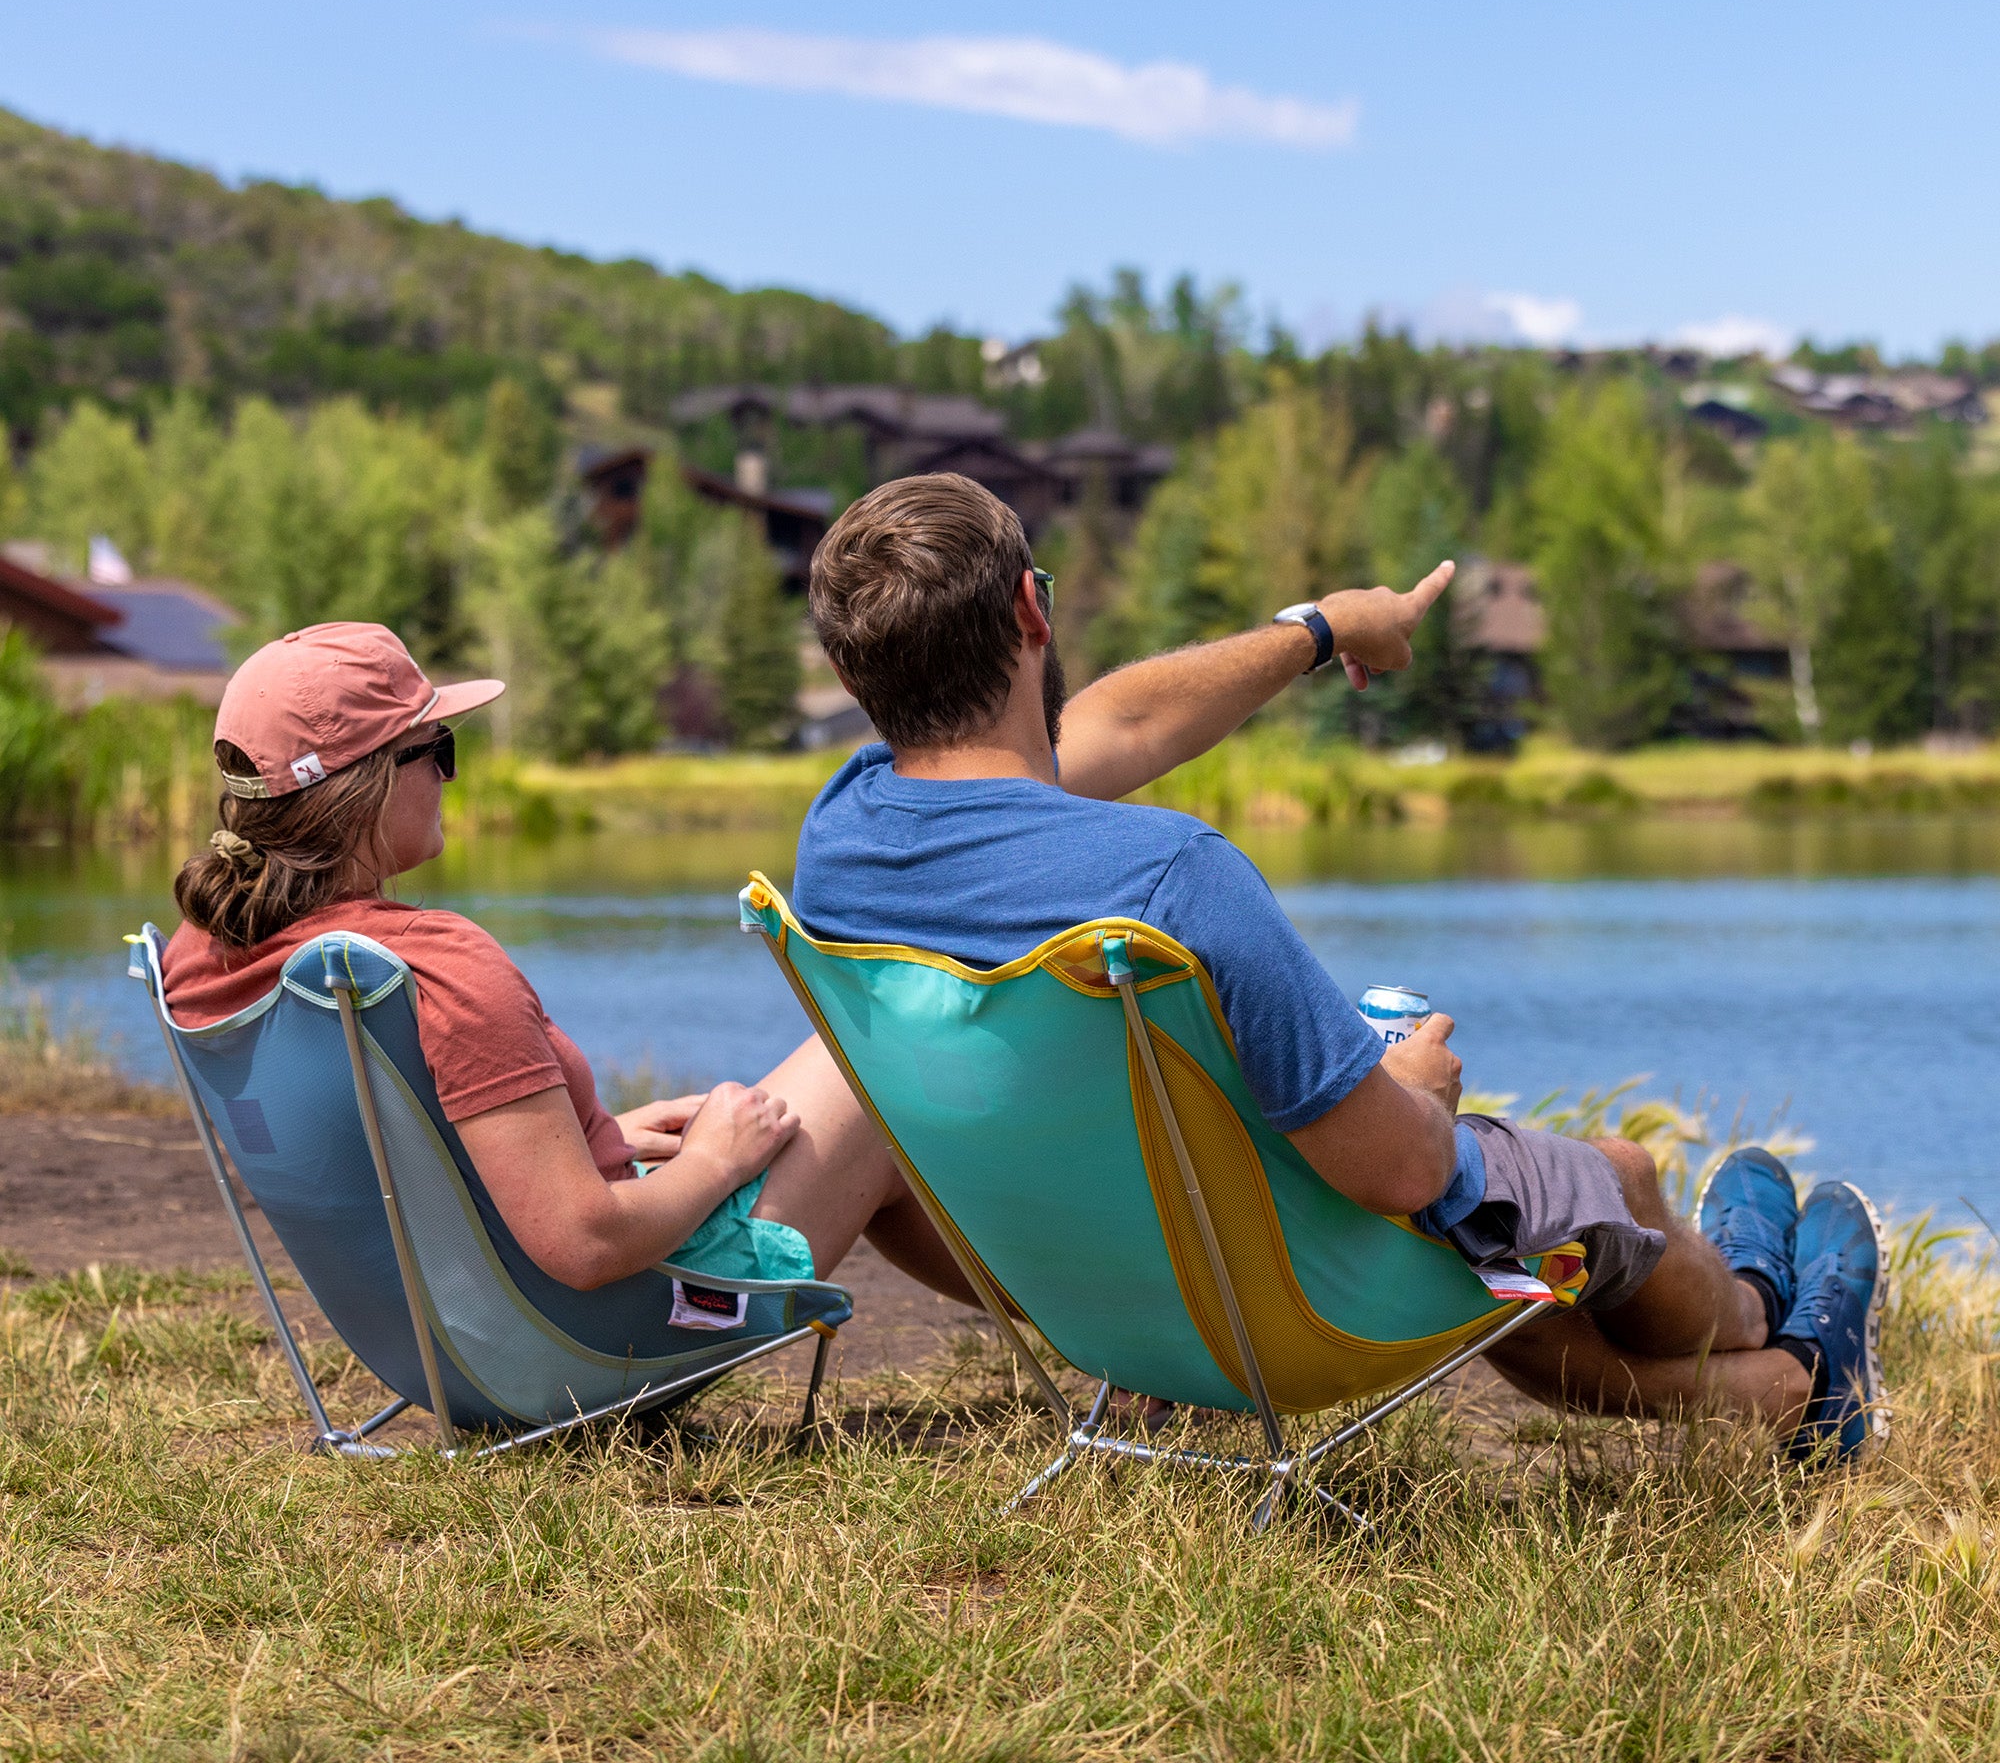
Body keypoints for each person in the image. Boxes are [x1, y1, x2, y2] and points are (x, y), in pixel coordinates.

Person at [791, 474, 1888, 1462]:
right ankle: (1769, 1309)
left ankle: (1784, 1393)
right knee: (1610, 1180)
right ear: (1031, 611)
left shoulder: (841, 838)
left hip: (1120, 1297)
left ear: (850, 668)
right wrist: (1414, 1089)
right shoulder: (1172, 875)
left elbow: (1106, 727)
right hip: (1290, 1298)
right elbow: (1398, 1175)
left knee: (1528, 1245)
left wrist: (1318, 630)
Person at [163, 621, 976, 1314]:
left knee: (848, 1104)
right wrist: (712, 1161)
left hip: (441, 1341)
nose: (448, 776)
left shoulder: (204, 953)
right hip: (602, 1332)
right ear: (367, 785)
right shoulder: (440, 966)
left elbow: (388, 1159)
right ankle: (1087, 1335)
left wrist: (591, 1141)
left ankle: (1078, 1344)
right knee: (879, 1059)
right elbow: (586, 1246)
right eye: (435, 749)